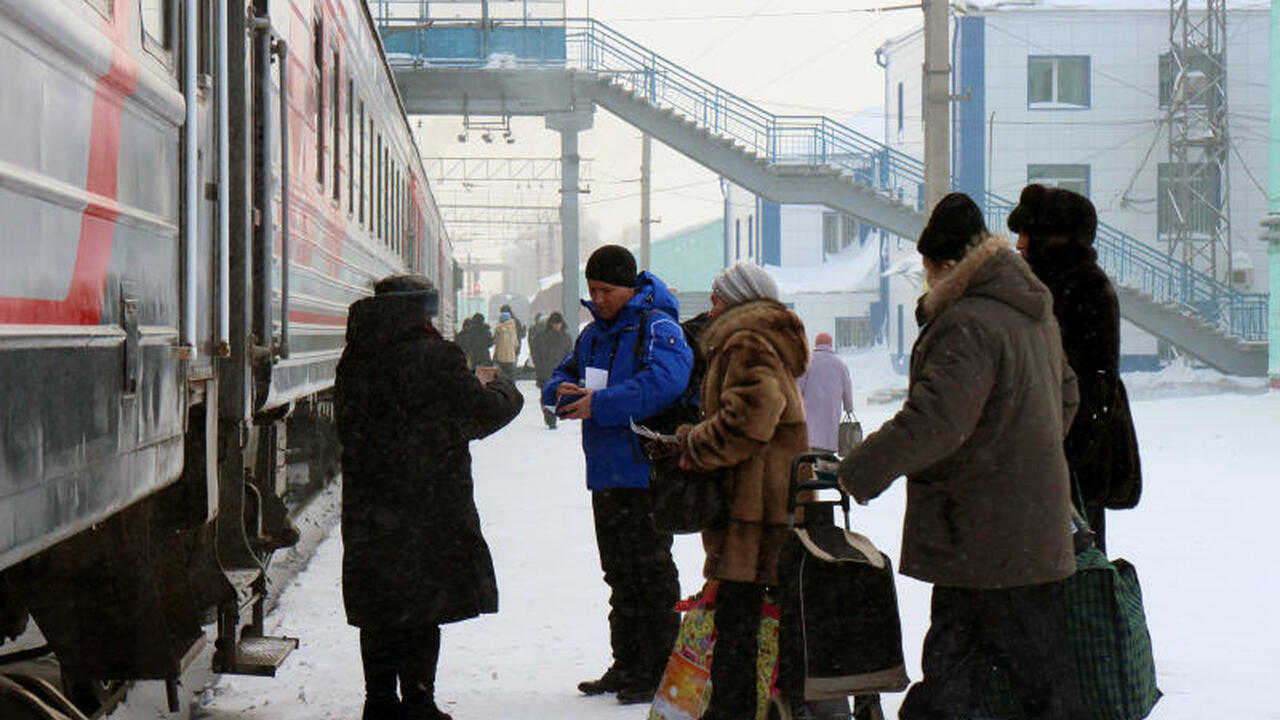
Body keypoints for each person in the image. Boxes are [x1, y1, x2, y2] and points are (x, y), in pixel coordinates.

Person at [836, 193, 1085, 720]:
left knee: (976, 671)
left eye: (927, 269)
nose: (926, 281)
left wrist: (859, 469)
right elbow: (1067, 397)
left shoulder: (968, 323)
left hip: (984, 532)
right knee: (1003, 669)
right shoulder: (1032, 313)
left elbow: (935, 421)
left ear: (945, 265)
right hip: (1023, 528)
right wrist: (1020, 455)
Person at [334, 275, 524, 720]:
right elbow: (479, 415)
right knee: (423, 604)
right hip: (427, 503)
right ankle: (419, 699)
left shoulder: (356, 357)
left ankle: (378, 701)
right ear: (422, 312)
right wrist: (503, 388)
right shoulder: (435, 357)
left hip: (371, 504)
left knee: (380, 605)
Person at [541, 244, 693, 704]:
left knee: (651, 575)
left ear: (629, 286)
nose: (599, 298)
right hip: (606, 474)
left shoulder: (656, 326)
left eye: (606, 290)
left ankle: (658, 668)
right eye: (593, 290)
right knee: (620, 576)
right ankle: (627, 662)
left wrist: (600, 404)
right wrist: (559, 393)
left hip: (645, 471)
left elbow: (665, 382)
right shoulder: (592, 336)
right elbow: (559, 377)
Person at [674, 262, 810, 720]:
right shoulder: (759, 339)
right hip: (772, 501)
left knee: (738, 617)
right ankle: (771, 703)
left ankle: (732, 709)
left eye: (715, 300)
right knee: (764, 614)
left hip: (756, 506)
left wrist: (696, 443)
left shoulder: (746, 341)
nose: (709, 311)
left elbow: (752, 415)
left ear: (737, 302)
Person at [1008, 184, 1142, 553]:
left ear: (1052, 238)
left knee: (1077, 567)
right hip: (1053, 455)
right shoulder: (1046, 287)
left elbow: (1094, 384)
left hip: (1073, 461)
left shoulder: (1083, 289)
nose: (1018, 244)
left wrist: (1064, 455)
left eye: (1026, 234)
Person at [796, 332, 854, 453]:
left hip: (809, 414)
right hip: (831, 413)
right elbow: (847, 390)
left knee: (809, 447)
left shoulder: (808, 362)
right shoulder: (840, 365)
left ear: (816, 344)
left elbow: (798, 387)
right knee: (827, 451)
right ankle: (825, 467)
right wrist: (849, 407)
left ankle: (811, 468)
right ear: (830, 345)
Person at [530, 311, 573, 428]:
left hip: (559, 372)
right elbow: (535, 353)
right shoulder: (542, 337)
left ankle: (552, 415)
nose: (557, 326)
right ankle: (550, 419)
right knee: (546, 396)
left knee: (557, 396)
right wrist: (539, 366)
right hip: (544, 371)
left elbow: (569, 355)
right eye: (555, 324)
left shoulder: (566, 338)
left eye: (558, 324)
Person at [492, 309, 519, 379]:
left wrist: (495, 356)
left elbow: (496, 344)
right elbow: (516, 344)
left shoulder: (498, 330)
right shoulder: (513, 329)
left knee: (502, 378)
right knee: (511, 378)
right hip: (511, 357)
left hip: (501, 358)